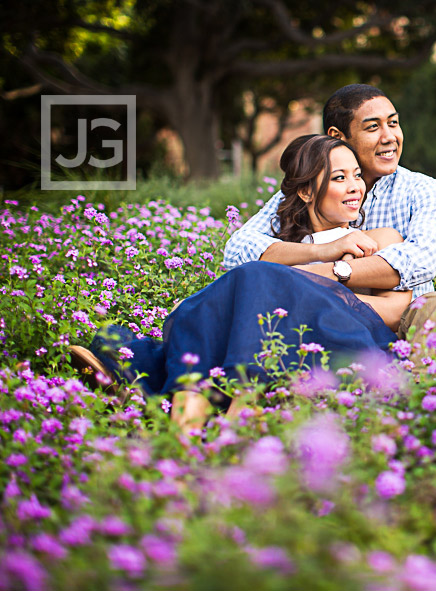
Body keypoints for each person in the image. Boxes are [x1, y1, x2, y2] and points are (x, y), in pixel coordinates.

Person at [71, 136, 409, 432]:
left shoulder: (377, 239)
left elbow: (397, 309)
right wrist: (323, 252)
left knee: (249, 280)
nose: (356, 186)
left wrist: (305, 290)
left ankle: (208, 408)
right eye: (339, 178)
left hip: (335, 338)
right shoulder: (283, 248)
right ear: (306, 191)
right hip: (263, 335)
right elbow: (257, 256)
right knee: (241, 286)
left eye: (357, 176)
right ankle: (187, 422)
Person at [223, 84, 436, 340]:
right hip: (313, 321)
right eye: (373, 127)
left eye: (393, 123)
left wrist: (319, 277)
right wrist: (322, 250)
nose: (389, 136)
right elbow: (238, 250)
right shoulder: (308, 189)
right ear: (337, 136)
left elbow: (420, 262)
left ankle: (415, 378)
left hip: (401, 321)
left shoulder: (423, 190)